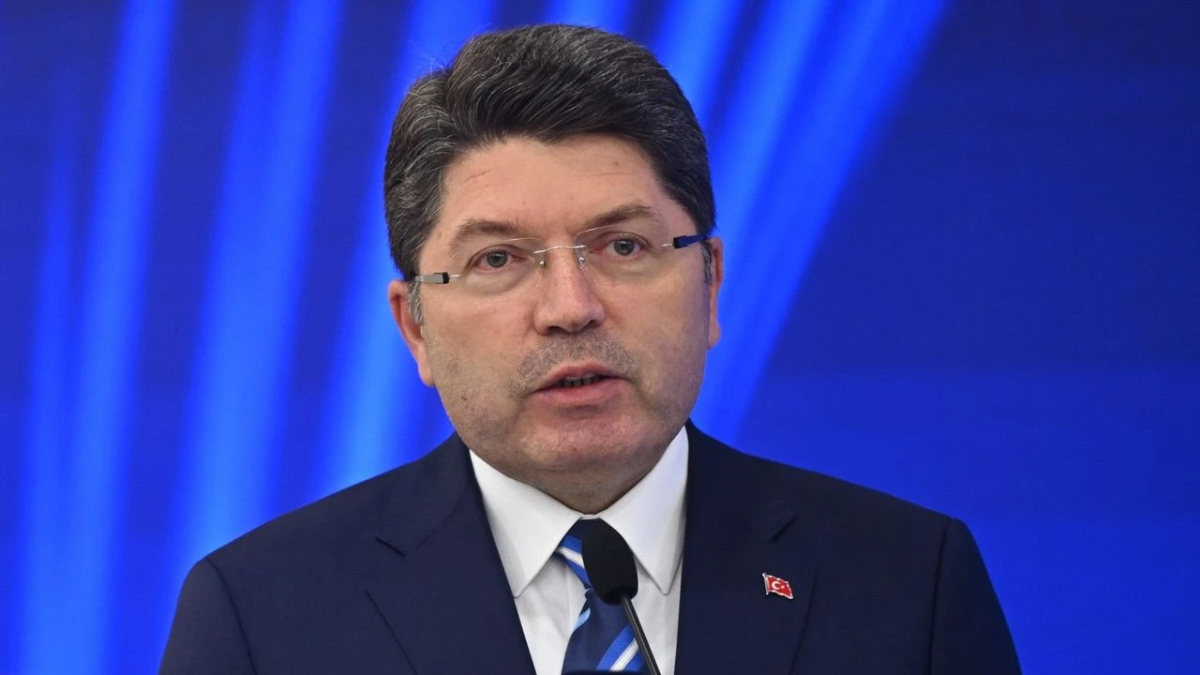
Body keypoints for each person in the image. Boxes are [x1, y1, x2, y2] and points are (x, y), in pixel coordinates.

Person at [161, 24, 1020, 674]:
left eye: (623, 246)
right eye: (498, 260)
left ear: (711, 283)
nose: (570, 308)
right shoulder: (262, 617)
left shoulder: (908, 583)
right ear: (415, 325)